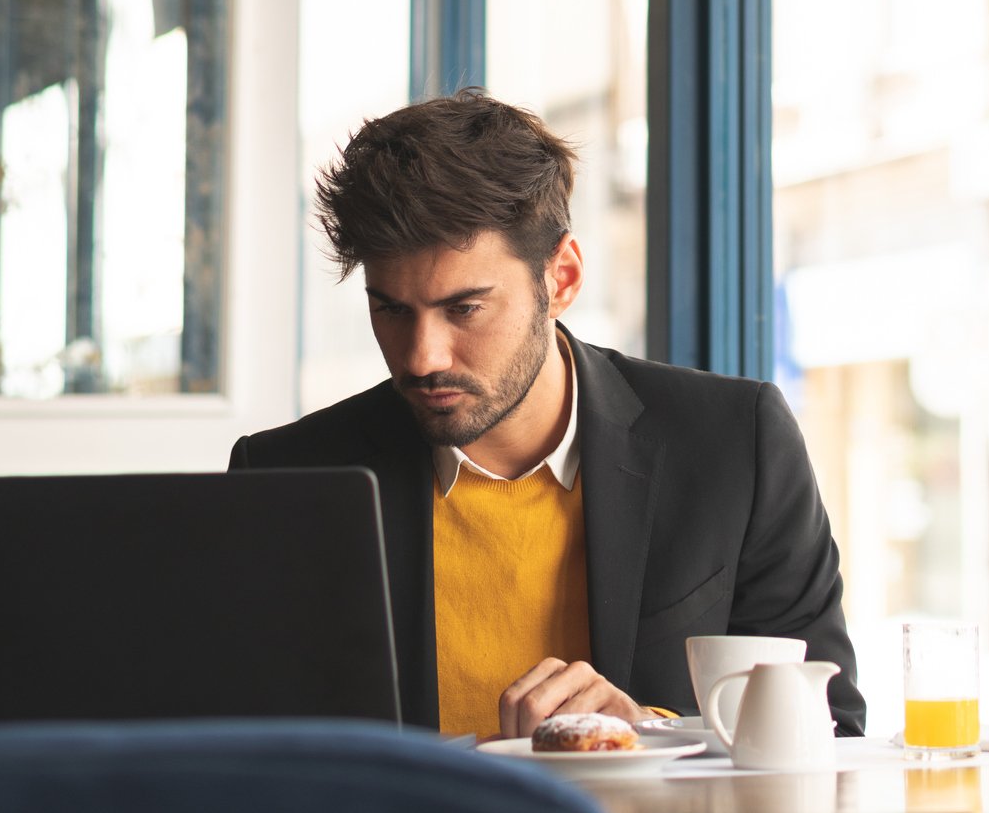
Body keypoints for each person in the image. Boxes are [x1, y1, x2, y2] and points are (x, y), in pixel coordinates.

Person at [229, 90, 863, 740]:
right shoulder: (288, 476)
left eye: (464, 308)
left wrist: (645, 732)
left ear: (560, 278)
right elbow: (240, 753)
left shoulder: (734, 444)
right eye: (391, 309)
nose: (421, 356)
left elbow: (831, 728)